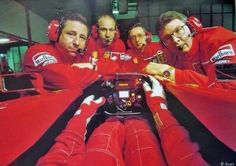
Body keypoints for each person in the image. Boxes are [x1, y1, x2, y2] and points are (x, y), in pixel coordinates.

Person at [36, 76, 208, 166]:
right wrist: (158, 107)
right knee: (139, 129)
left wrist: (82, 115)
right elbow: (184, 154)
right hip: (138, 118)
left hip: (110, 120)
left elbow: (59, 158)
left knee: (108, 129)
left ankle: (117, 121)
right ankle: (130, 120)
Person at [145, 10, 236, 89]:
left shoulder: (220, 40)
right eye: (167, 38)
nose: (175, 40)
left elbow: (228, 87)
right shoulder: (171, 53)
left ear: (191, 26)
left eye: (178, 30)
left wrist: (172, 74)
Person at [23, 12, 99, 90]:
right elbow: (67, 80)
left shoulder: (80, 57)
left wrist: (93, 67)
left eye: (82, 37)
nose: (77, 42)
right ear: (57, 33)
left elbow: (105, 68)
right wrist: (91, 68)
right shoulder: (36, 51)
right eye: (71, 34)